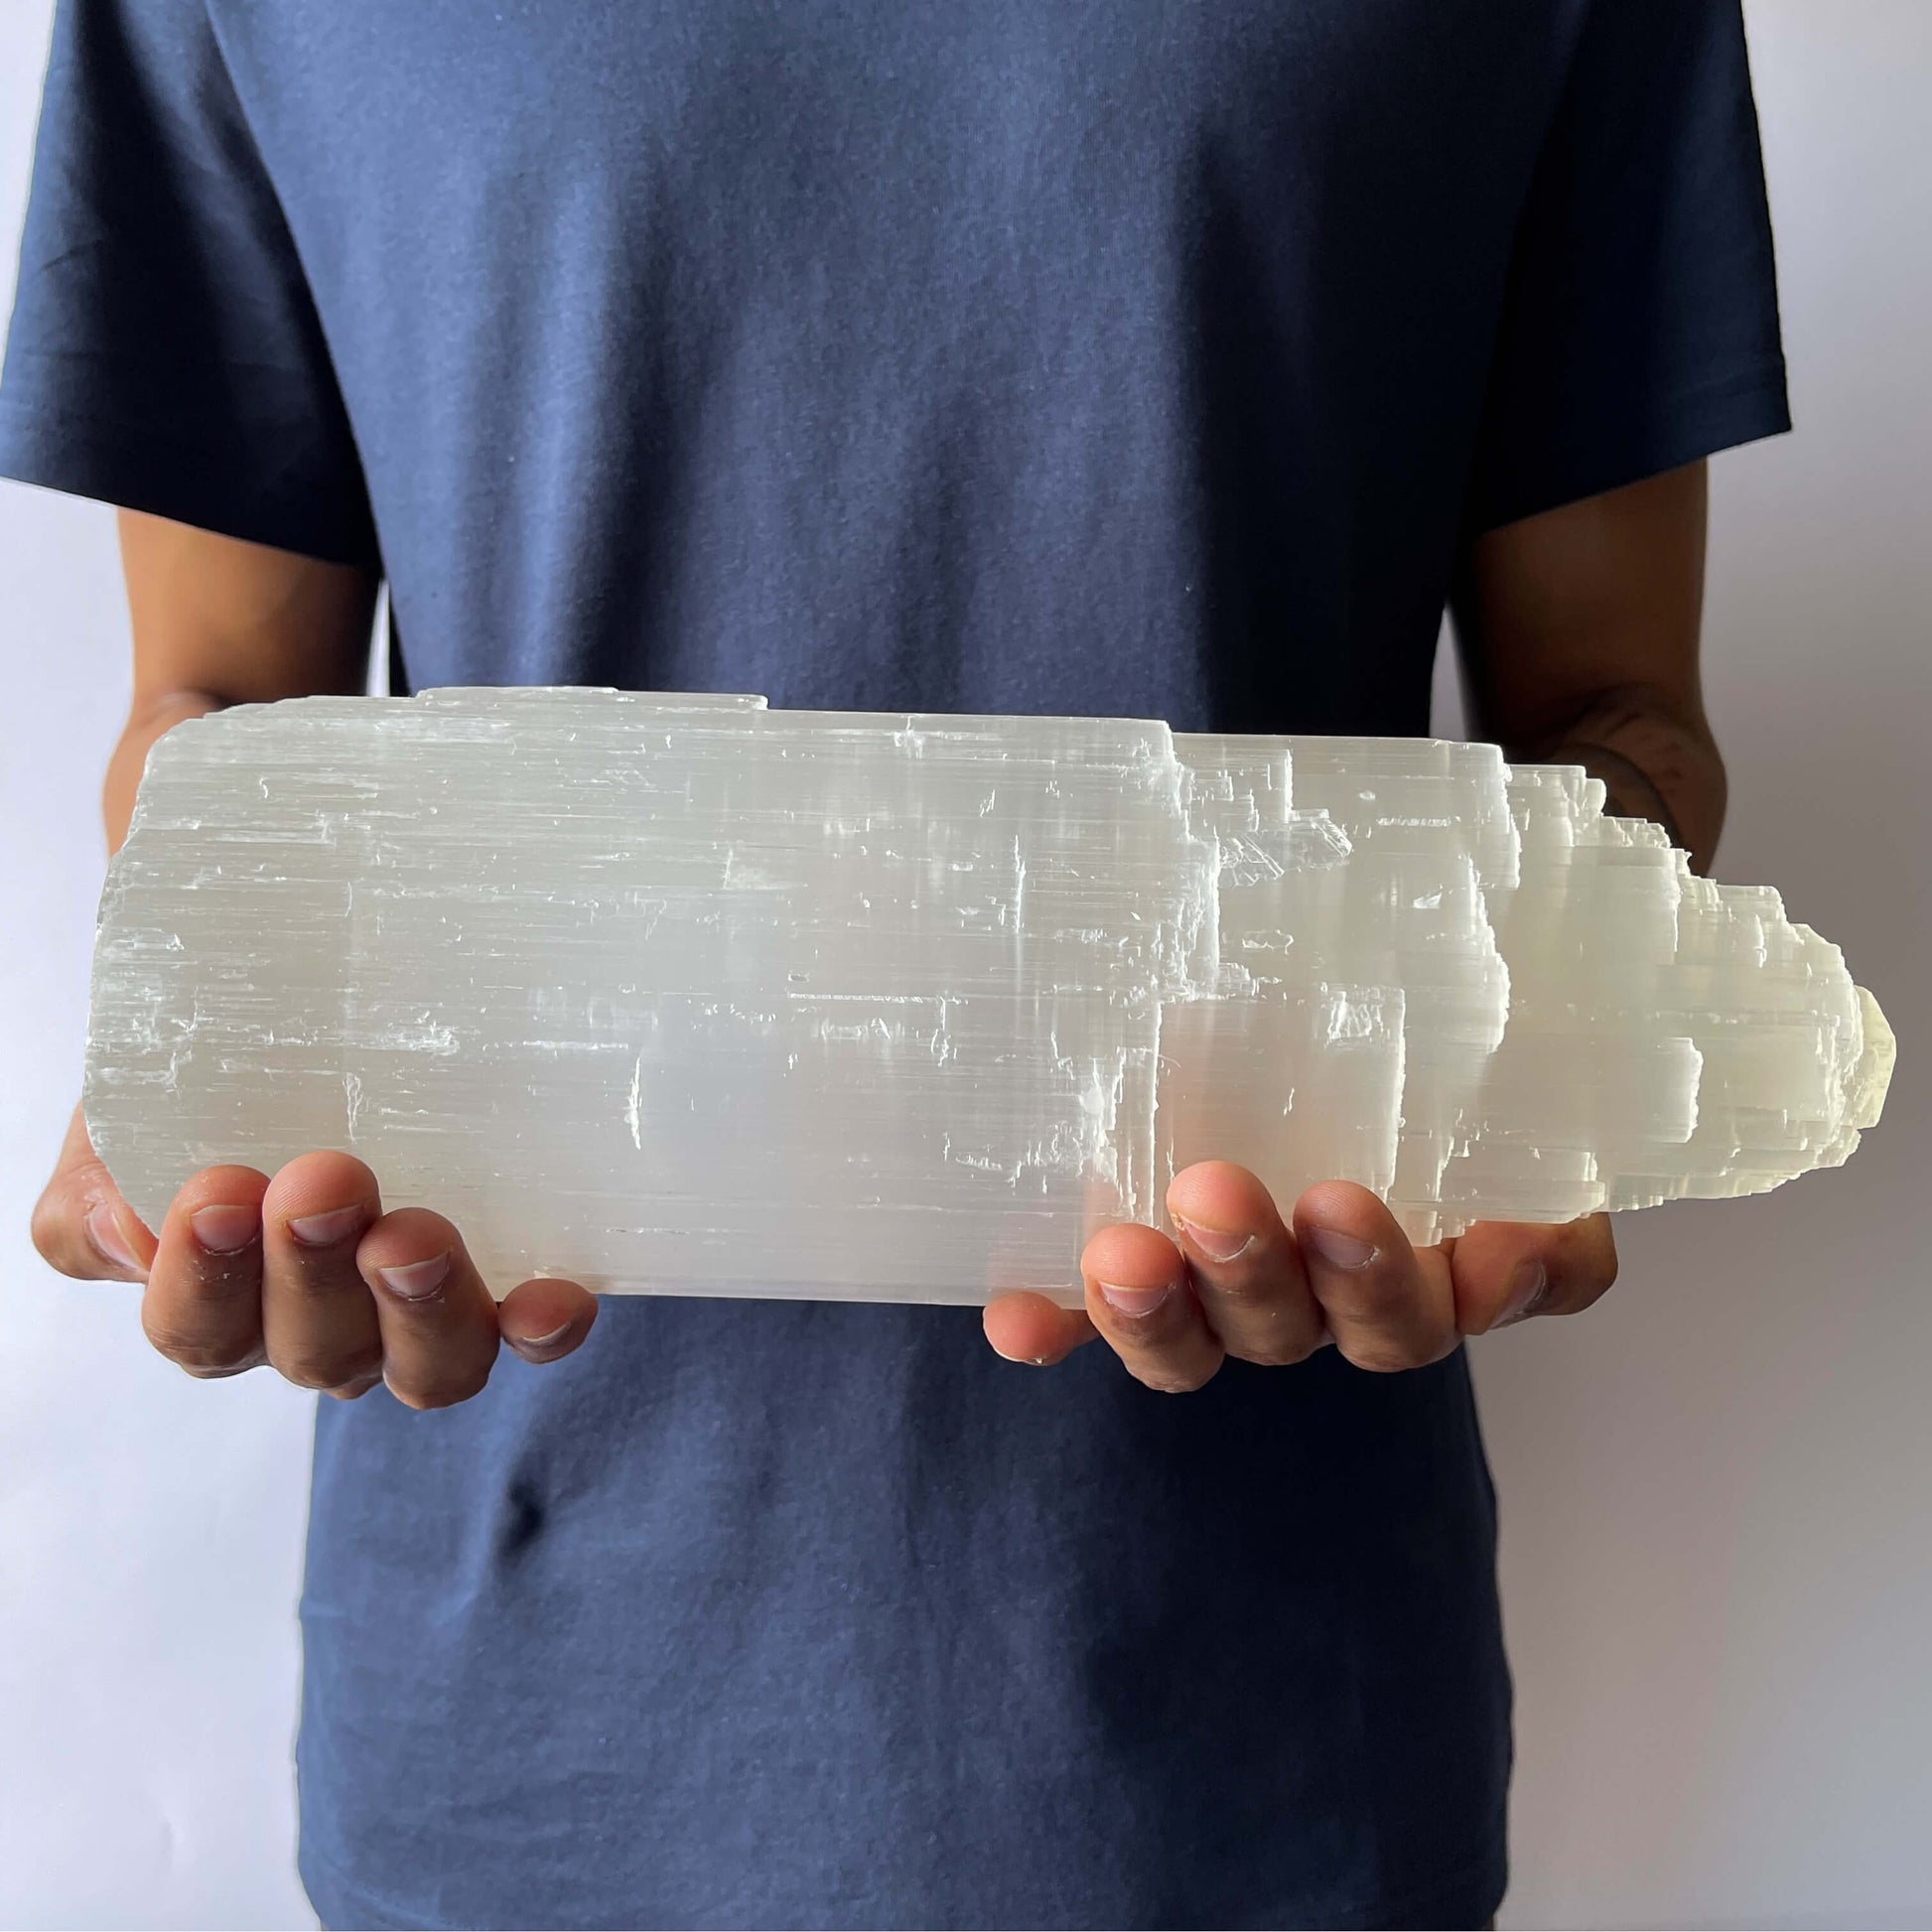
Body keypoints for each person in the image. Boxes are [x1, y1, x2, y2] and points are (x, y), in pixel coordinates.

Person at [3, 0, 1788, 1924]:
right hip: (523, 1726)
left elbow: (1613, 721)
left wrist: (1569, 1043)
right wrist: (199, 1105)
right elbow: (214, 716)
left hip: (1256, 1731)